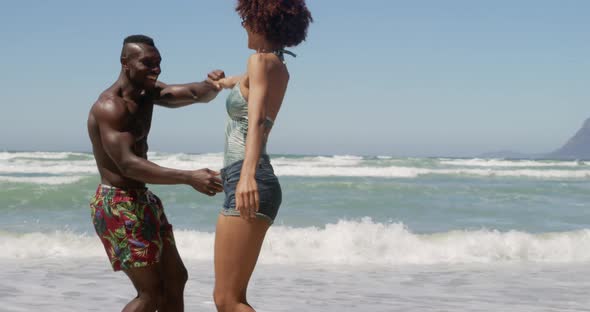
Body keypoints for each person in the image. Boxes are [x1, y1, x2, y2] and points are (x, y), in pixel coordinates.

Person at [87, 34, 225, 312]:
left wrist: (214, 85)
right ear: (125, 63)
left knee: (175, 280)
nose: (156, 69)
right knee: (149, 293)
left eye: (158, 63)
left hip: (142, 199)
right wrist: (189, 176)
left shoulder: (146, 93)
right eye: (147, 63)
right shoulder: (110, 106)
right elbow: (128, 164)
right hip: (118, 204)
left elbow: (196, 94)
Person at [211, 1, 312, 311]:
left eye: (247, 20)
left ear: (262, 22)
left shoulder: (260, 63)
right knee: (228, 298)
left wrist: (245, 177)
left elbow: (255, 121)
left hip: (248, 174)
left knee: (228, 300)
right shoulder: (273, 66)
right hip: (246, 175)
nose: (244, 26)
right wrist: (221, 80)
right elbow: (235, 83)